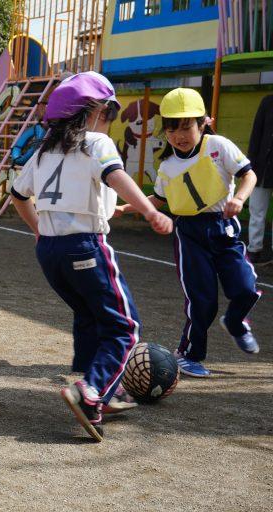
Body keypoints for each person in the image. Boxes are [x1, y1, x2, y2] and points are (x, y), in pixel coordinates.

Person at [10, 71, 173, 441]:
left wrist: (39, 229)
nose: (109, 121)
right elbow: (115, 176)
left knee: (89, 314)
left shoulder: (44, 151)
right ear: (95, 112)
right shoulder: (96, 142)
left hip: (50, 253)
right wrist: (150, 211)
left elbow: (18, 195)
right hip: (85, 246)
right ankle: (92, 391)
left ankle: (98, 386)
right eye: (110, 113)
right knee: (124, 327)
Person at [118, 88, 261, 378]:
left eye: (186, 127)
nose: (178, 136)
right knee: (202, 300)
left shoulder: (218, 146)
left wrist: (239, 199)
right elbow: (158, 201)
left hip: (224, 229)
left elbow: (249, 174)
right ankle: (188, 354)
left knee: (246, 288)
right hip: (189, 234)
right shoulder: (167, 166)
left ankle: (235, 322)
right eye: (171, 129)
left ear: (203, 123)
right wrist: (125, 208)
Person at [246, 94, 273, 265]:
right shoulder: (267, 102)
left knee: (258, 211)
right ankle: (254, 250)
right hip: (262, 166)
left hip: (264, 165)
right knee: (256, 210)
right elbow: (256, 134)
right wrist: (249, 166)